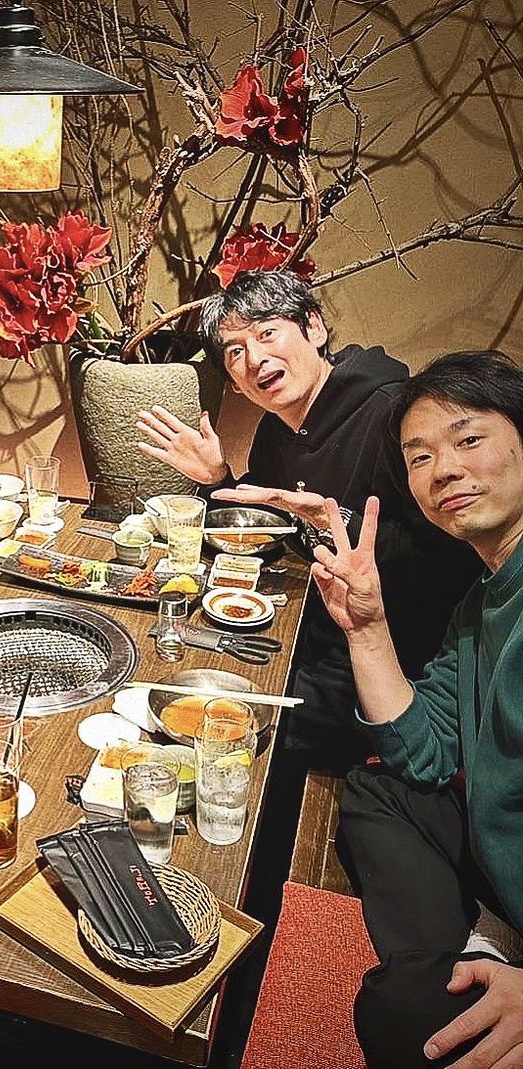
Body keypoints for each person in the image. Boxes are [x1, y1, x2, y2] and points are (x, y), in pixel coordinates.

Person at [135, 269, 479, 761]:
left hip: (395, 659)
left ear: (314, 328)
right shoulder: (276, 432)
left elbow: (452, 561)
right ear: (235, 385)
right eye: (235, 352)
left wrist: (334, 522)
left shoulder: (393, 416)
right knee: (177, 675)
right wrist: (217, 478)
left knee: (224, 723)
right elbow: (267, 527)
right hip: (308, 628)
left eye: (267, 332)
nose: (255, 358)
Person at [310, 350, 523, 1069]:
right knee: (377, 787)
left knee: (400, 1014)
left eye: (469, 439)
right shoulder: (483, 599)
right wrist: (367, 628)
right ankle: (468, 958)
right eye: (420, 456)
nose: (444, 470)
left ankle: (460, 969)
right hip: (501, 859)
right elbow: (422, 752)